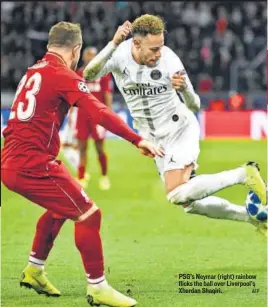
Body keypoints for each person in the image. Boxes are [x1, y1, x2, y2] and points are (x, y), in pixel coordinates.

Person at [1, 21, 164, 307]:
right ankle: (98, 287)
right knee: (89, 214)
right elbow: (98, 111)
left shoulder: (33, 72)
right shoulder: (62, 74)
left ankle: (34, 270)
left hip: (13, 159)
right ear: (75, 50)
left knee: (61, 207)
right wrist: (136, 139)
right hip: (32, 163)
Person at [83, 15, 267, 235]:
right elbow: (88, 74)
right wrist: (113, 44)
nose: (158, 53)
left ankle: (243, 174)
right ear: (136, 43)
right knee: (190, 204)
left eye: (160, 47)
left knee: (175, 193)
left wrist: (184, 90)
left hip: (179, 128)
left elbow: (195, 104)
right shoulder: (119, 55)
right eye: (153, 49)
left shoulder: (170, 60)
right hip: (155, 140)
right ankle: (253, 217)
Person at [75, 47, 113, 190]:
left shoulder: (103, 74)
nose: (90, 58)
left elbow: (107, 95)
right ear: (84, 57)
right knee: (82, 148)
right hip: (82, 115)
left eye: (92, 56)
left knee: (99, 148)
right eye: (87, 56)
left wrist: (107, 114)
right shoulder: (78, 73)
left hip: (97, 116)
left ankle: (104, 176)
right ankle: (81, 176)